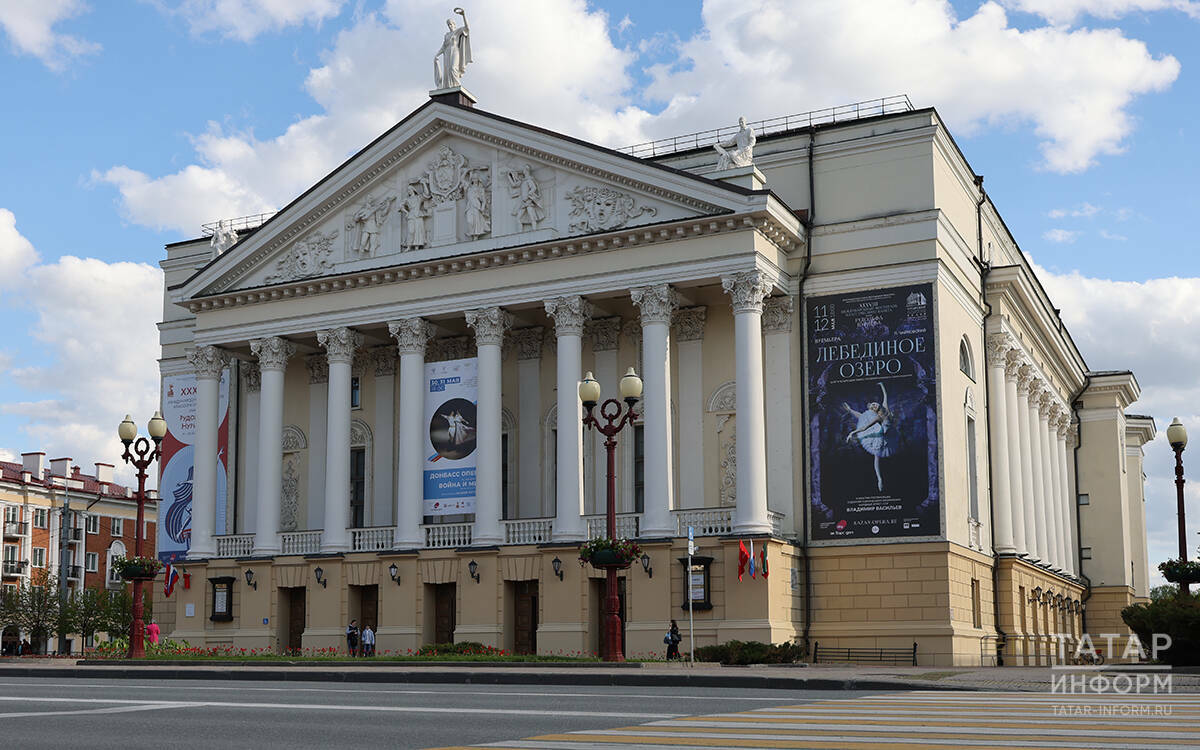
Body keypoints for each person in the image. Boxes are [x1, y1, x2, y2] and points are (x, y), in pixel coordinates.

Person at [844, 382, 898, 492]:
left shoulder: (885, 408)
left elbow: (885, 395)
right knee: (876, 457)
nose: (874, 405)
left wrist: (882, 385)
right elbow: (864, 427)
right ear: (875, 410)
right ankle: (879, 479)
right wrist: (852, 433)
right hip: (881, 436)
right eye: (873, 406)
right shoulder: (877, 418)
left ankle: (890, 476)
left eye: (874, 403)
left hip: (890, 434)